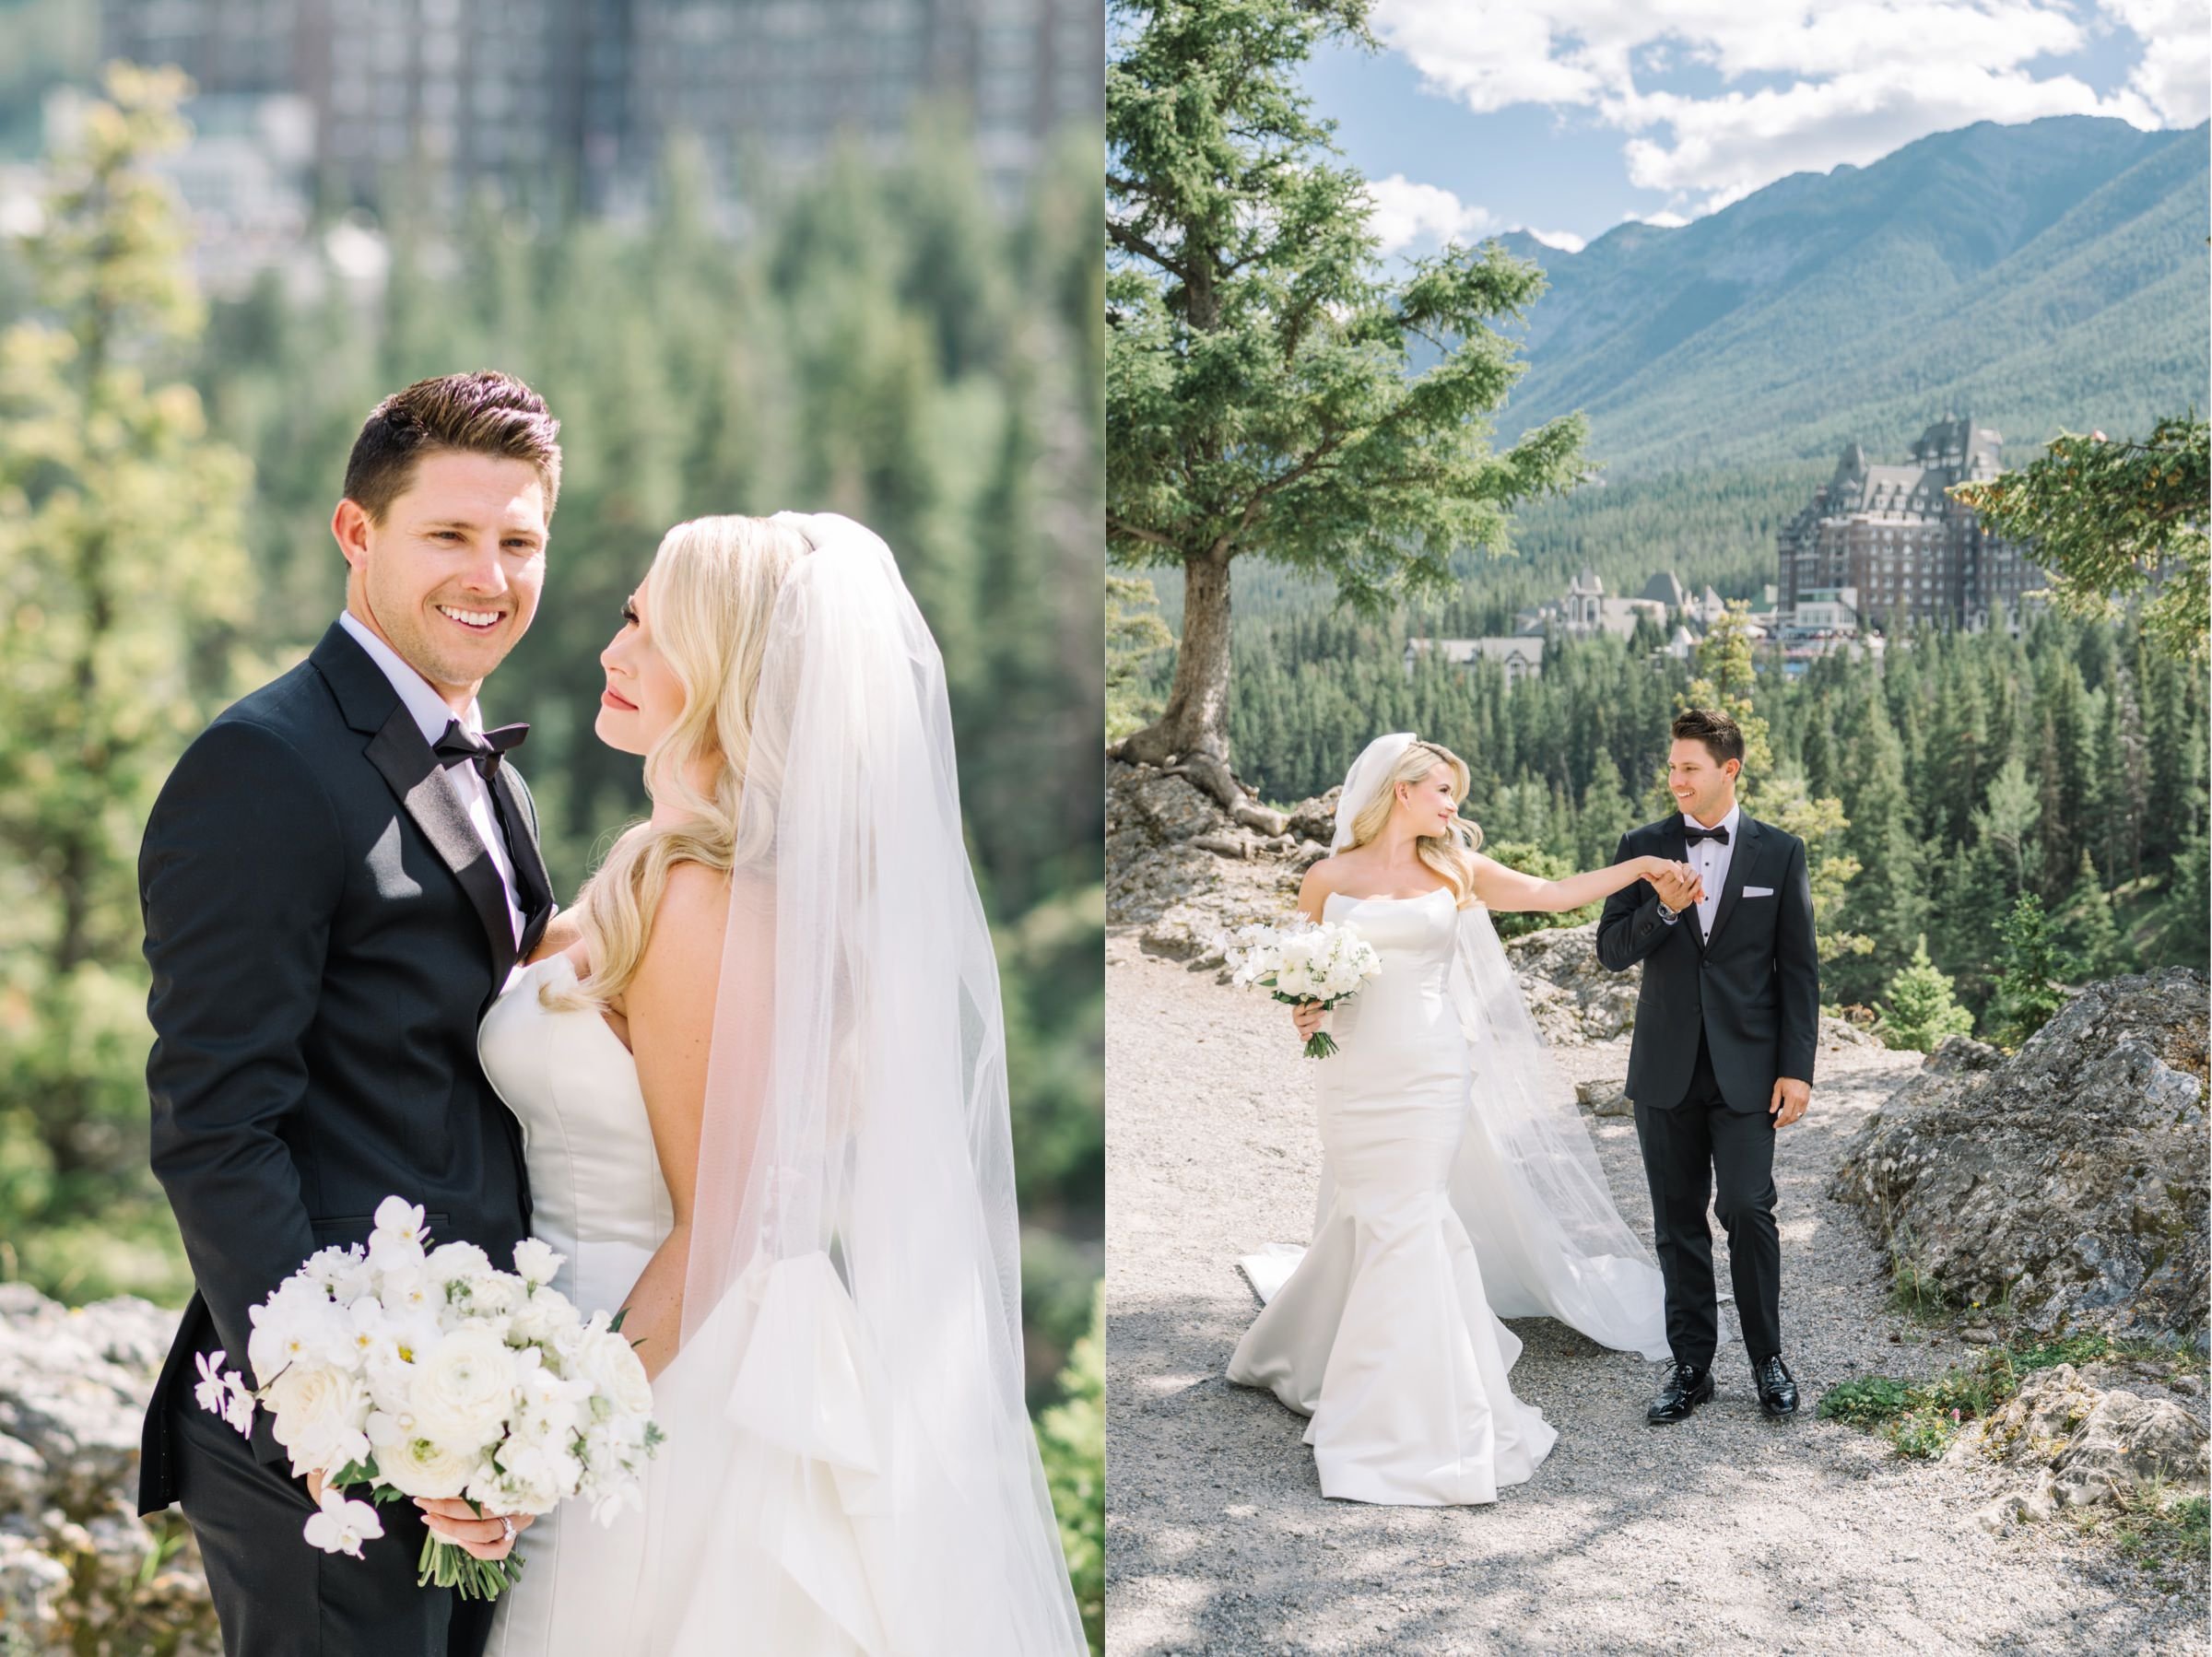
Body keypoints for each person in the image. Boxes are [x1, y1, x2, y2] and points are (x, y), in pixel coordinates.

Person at [477, 513, 1088, 1654]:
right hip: (597, 1342)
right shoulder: (659, 869)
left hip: (659, 1383)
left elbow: (720, 1222)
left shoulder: (709, 900)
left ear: (728, 671)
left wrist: (550, 1442)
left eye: (652, 631)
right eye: (625, 617)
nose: (613, 650)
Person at [139, 371, 560, 1655]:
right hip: (328, 1458)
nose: (489, 575)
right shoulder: (264, 763)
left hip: (469, 1418)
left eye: (519, 541)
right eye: (450, 534)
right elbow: (217, 1123)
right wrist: (342, 1407)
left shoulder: (479, 766)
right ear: (356, 532)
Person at [1227, 734, 1670, 1506]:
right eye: (1442, 790)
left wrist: (1638, 868)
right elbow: (1305, 971)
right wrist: (1306, 1008)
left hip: (1431, 1069)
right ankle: (1324, 1350)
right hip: (1352, 1071)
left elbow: (1551, 892)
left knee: (1411, 1214)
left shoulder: (1454, 869)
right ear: (1401, 790)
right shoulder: (1327, 878)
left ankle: (1408, 1408)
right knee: (1369, 1209)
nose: (1452, 805)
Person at [1595, 706, 1819, 1425]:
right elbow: (1611, 950)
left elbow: (1798, 971)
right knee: (1677, 1221)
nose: (1677, 780)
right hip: (1665, 1067)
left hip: (1748, 1069)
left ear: (1730, 769)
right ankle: (1691, 1368)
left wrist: (1797, 1068)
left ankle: (1768, 1361)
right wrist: (1662, 910)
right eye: (1671, 767)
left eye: (1689, 768)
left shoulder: (1780, 852)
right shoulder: (1642, 847)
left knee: (1749, 1208)